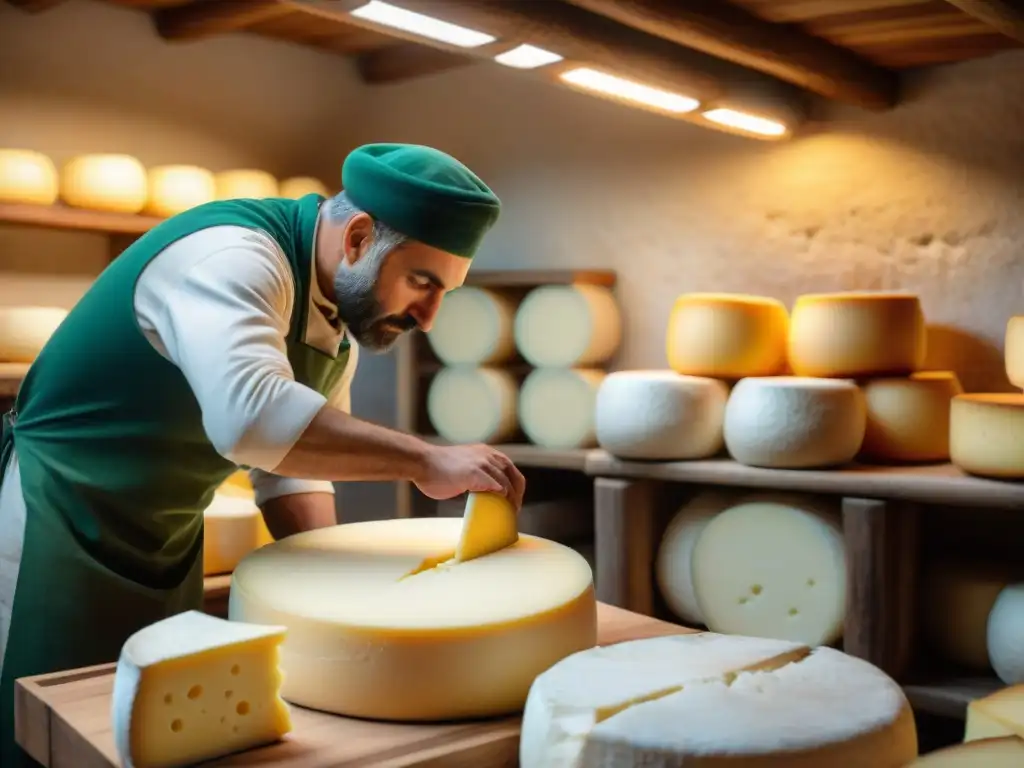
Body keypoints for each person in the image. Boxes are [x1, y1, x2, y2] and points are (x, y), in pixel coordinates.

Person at [0, 143, 526, 765]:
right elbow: (252, 418)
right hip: (57, 520)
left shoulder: (336, 326)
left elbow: (289, 466)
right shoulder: (235, 258)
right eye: (421, 282)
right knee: (45, 738)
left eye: (446, 292)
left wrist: (331, 600)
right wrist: (426, 460)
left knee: (145, 741)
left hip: (165, 542)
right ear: (358, 238)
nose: (430, 317)